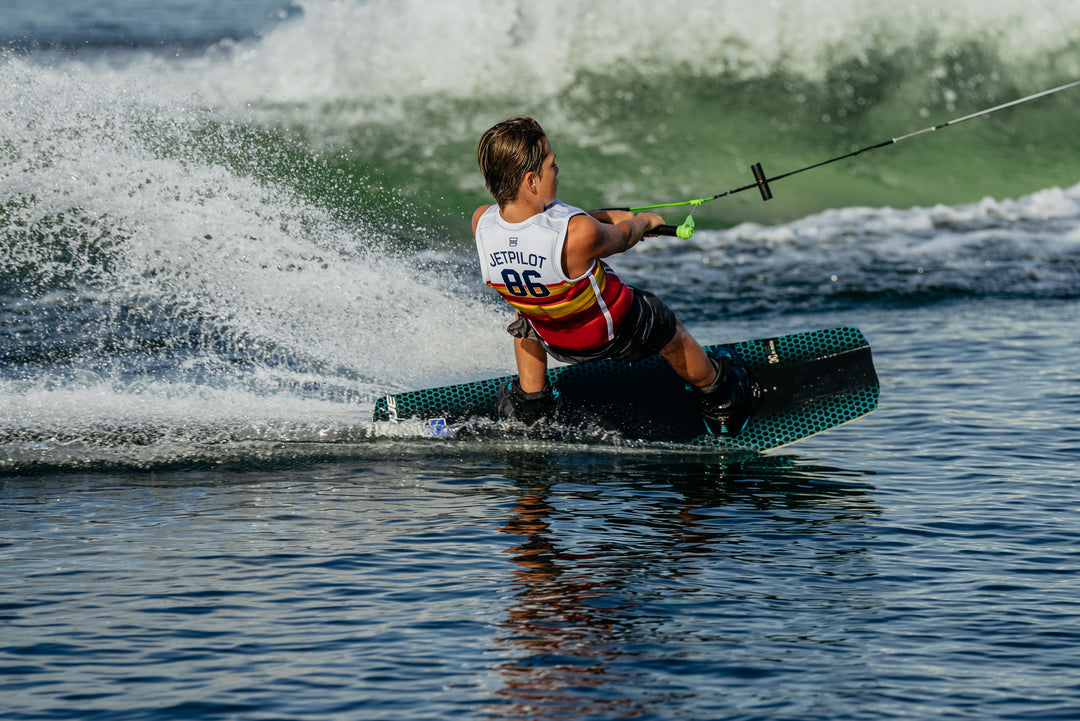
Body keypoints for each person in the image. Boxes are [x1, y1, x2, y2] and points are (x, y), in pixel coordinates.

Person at [471, 116, 755, 436]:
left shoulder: (481, 222)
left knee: (525, 310)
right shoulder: (580, 233)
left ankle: (531, 403)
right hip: (609, 333)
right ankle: (718, 394)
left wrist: (607, 218)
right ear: (531, 181)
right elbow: (621, 238)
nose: (557, 170)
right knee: (665, 324)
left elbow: (552, 226)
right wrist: (644, 222)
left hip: (551, 335)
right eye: (552, 164)